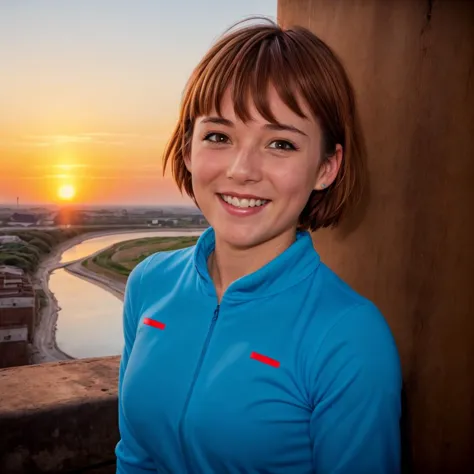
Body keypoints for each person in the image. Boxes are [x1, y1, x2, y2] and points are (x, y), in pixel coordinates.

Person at [115, 18, 402, 474]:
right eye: (219, 136)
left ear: (327, 167)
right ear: (188, 147)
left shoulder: (349, 337)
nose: (242, 169)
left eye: (281, 143)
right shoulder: (149, 283)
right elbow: (135, 457)